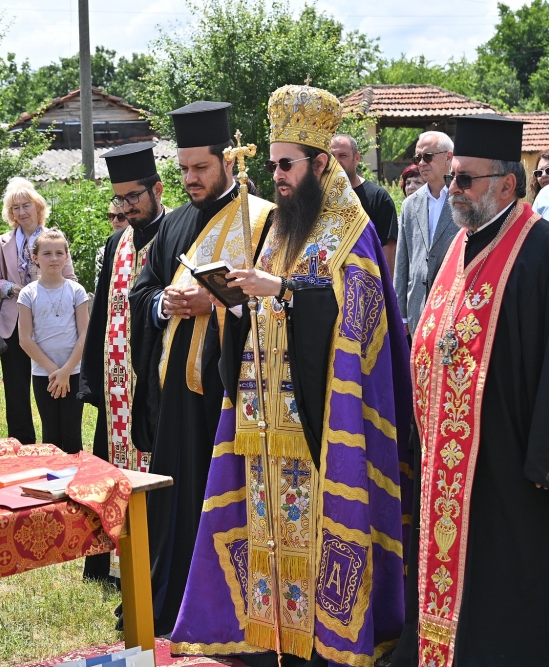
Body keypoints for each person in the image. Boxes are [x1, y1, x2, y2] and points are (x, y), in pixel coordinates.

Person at [170, 84, 413, 667]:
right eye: (273, 164)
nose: (276, 175)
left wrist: (281, 291)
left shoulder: (348, 230)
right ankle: (269, 632)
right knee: (265, 528)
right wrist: (234, 299)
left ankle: (329, 641)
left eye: (286, 164)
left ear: (320, 163)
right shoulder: (278, 227)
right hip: (264, 419)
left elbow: (361, 316)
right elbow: (264, 311)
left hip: (325, 424)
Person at [391, 114, 549, 667]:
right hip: (450, 469)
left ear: (507, 183)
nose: (453, 191)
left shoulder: (544, 254)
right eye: (452, 180)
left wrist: (547, 464)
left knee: (516, 613)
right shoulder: (459, 249)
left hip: (516, 478)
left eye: (465, 180)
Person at [129, 101, 276, 635]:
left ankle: (222, 604)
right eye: (184, 168)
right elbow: (141, 290)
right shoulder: (172, 227)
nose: (190, 178)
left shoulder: (261, 220)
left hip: (228, 390)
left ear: (228, 162)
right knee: (174, 498)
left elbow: (273, 300)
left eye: (201, 168)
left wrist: (215, 304)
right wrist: (163, 303)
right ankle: (169, 600)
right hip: (176, 395)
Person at [80, 143, 168, 582]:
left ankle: (153, 563)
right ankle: (112, 565)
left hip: (157, 380)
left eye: (133, 197)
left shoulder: (177, 233)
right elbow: (101, 315)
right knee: (113, 468)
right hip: (118, 387)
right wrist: (93, 380)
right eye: (119, 199)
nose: (126, 207)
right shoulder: (117, 242)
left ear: (157, 189)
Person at [0, 177, 76, 445]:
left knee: (50, 381)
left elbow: (71, 279)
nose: (22, 212)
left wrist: (47, 287)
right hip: (13, 324)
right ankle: (22, 442)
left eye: (27, 205)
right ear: (10, 213)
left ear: (38, 207)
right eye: (15, 208)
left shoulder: (54, 239)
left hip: (51, 324)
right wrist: (16, 290)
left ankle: (56, 442)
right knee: (15, 389)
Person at [17, 229, 88, 454]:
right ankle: (52, 484)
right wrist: (54, 372)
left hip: (73, 373)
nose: (54, 258)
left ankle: (77, 483)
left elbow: (85, 334)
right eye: (47, 253)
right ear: (35, 258)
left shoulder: (76, 291)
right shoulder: (28, 294)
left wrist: (66, 371)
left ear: (67, 256)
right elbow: (25, 339)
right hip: (44, 375)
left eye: (59, 253)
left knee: (72, 432)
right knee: (51, 436)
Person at [393, 131, 457, 335]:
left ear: (448, 157)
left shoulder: (464, 198)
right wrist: (401, 313)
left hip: (454, 305)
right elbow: (403, 261)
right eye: (417, 158)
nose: (422, 163)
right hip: (417, 309)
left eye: (428, 156)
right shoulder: (410, 204)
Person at [330, 133, 398, 273]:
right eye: (332, 156)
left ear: (357, 158)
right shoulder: (320, 197)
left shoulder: (378, 198)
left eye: (343, 155)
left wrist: (386, 289)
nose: (336, 162)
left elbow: (388, 248)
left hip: (367, 283)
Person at [95, 201, 130, 283]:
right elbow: (100, 288)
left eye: (121, 216)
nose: (115, 220)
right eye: (111, 216)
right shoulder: (103, 253)